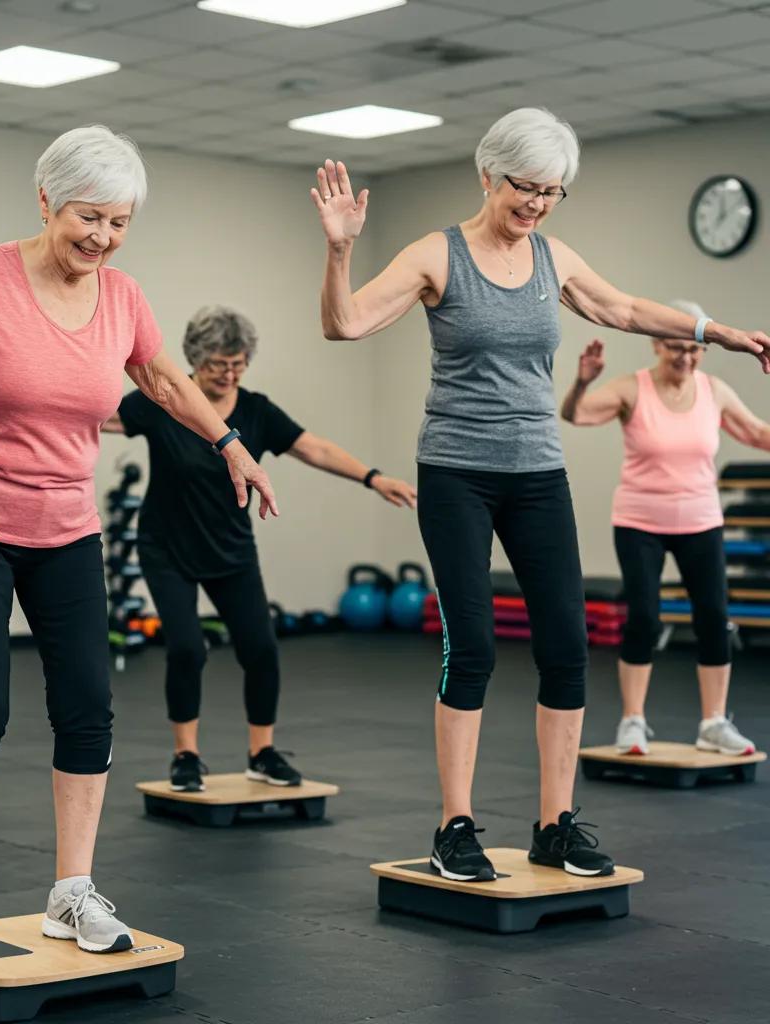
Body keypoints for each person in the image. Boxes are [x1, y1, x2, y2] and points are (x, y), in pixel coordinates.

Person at [0, 117, 277, 962]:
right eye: (88, 217)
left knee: (87, 707)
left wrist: (231, 446)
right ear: (46, 201)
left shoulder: (123, 296)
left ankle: (71, 893)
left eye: (118, 223)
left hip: (65, 526)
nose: (102, 237)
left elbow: (162, 379)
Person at [310, 106, 770, 883]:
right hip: (456, 472)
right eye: (526, 187)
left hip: (538, 475)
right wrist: (340, 249)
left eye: (553, 191)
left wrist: (716, 331)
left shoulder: (554, 257)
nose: (537, 204)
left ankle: (555, 826)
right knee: (473, 648)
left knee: (566, 647)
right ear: (488, 174)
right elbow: (344, 324)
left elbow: (625, 308)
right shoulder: (438, 255)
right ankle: (454, 827)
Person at [104, 305, 416, 792]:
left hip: (231, 551)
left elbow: (312, 447)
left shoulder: (256, 410)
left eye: (238, 364)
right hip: (167, 549)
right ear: (195, 359)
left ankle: (262, 754)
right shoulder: (164, 400)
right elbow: (100, 417)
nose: (229, 374)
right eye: (218, 365)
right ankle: (186, 757)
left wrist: (372, 478)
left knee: (262, 649)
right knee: (186, 649)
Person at [561, 302, 766, 757]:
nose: (686, 358)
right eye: (676, 348)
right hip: (640, 523)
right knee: (645, 619)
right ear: (656, 343)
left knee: (714, 618)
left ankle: (714, 722)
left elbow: (756, 432)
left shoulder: (714, 391)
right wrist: (582, 382)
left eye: (695, 350)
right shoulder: (631, 388)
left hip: (701, 522)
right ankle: (633, 721)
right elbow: (574, 414)